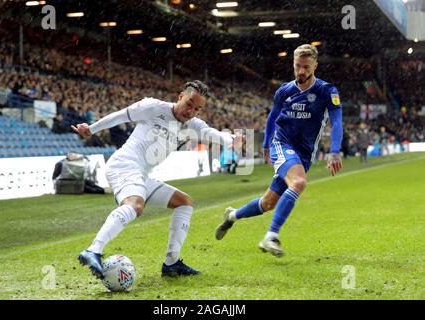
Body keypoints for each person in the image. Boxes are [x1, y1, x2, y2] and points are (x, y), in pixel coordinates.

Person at [72, 80, 237, 278]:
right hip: (124, 165)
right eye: (189, 104)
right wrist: (91, 129)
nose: (191, 111)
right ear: (180, 96)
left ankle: (171, 263)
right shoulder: (153, 107)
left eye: (197, 109)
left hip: (142, 175)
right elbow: (121, 115)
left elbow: (213, 134)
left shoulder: (193, 125)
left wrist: (232, 140)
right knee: (135, 205)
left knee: (184, 202)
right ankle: (93, 251)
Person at [215, 44, 343, 257]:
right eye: (297, 66)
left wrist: (335, 150)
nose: (301, 71)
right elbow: (273, 118)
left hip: (304, 154)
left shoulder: (326, 91)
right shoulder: (284, 91)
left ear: (315, 66)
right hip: (282, 145)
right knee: (299, 183)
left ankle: (232, 216)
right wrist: (266, 145)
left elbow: (337, 122)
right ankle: (270, 236)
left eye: (306, 67)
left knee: (267, 203)